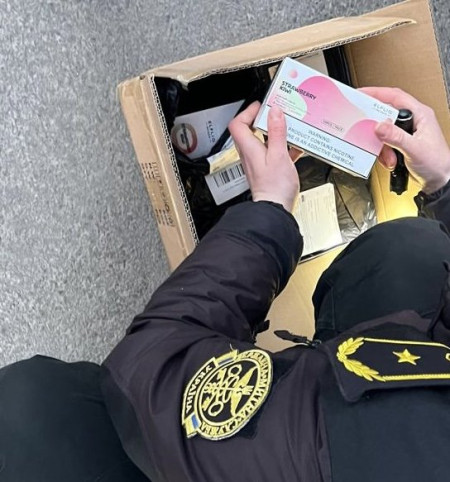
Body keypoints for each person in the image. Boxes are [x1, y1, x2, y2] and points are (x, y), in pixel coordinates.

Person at [1, 87, 450, 482]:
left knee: (28, 411)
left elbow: (151, 367)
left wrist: (269, 212)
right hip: (408, 390)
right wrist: (444, 184)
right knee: (408, 249)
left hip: (345, 449)